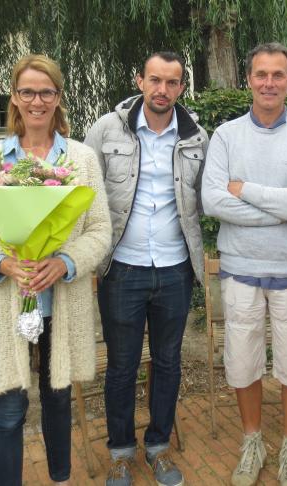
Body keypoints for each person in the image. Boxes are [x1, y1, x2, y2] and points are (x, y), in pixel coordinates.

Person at [0, 54, 112, 486]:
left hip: (61, 300)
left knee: (58, 400)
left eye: (46, 91)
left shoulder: (81, 160)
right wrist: (1, 262)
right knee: (7, 410)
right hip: (7, 302)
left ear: (58, 98)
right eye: (27, 91)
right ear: (14, 98)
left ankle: (59, 478)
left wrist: (65, 262)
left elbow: (99, 230)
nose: (36, 101)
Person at [201, 42, 287, 486]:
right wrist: (284, 207)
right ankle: (252, 441)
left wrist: (246, 189)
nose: (269, 82)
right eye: (261, 74)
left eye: (278, 74)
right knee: (242, 360)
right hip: (240, 269)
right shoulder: (226, 136)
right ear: (248, 79)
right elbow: (212, 199)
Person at [84, 51, 207, 486]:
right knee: (120, 366)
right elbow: (84, 196)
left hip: (175, 269)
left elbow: (204, 198)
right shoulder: (105, 130)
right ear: (139, 80)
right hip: (122, 269)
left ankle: (157, 445)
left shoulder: (196, 137)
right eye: (155, 80)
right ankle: (120, 450)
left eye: (172, 83)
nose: (162, 90)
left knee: (168, 362)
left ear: (181, 88)